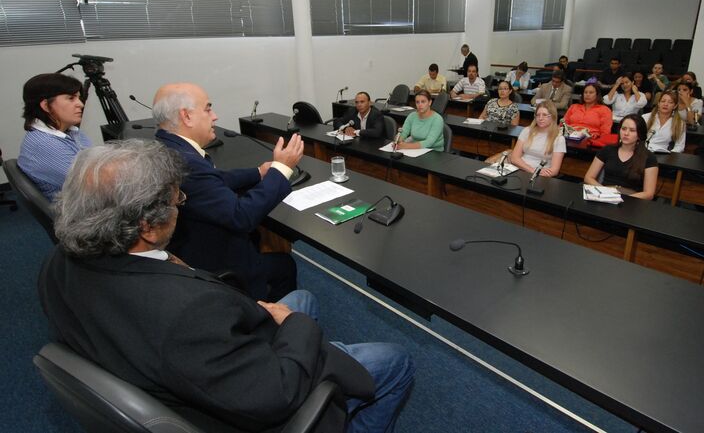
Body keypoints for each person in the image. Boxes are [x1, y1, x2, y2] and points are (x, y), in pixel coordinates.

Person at [38, 139, 414, 433]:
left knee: (303, 296)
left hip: (180, 361)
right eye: (176, 200)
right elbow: (276, 395)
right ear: (147, 227)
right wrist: (294, 324)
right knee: (395, 361)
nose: (180, 206)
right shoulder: (188, 313)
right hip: (258, 395)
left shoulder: (57, 264)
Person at [152, 82, 301, 302]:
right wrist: (282, 168)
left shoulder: (168, 146)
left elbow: (212, 179)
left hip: (191, 245)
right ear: (187, 116)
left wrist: (258, 173)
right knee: (285, 264)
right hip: (217, 262)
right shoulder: (187, 163)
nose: (215, 116)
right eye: (208, 109)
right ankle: (269, 318)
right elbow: (241, 216)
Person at [17, 73, 93, 201]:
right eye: (71, 98)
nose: (81, 104)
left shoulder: (70, 131)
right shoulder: (43, 144)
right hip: (80, 208)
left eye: (79, 98)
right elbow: (96, 183)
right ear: (46, 106)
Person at [584, 114, 659, 199]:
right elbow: (589, 177)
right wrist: (604, 192)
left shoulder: (649, 157)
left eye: (632, 130)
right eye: (623, 129)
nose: (626, 133)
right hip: (605, 195)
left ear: (640, 135)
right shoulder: (607, 150)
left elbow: (649, 194)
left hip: (631, 200)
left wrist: (621, 199)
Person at [509, 101, 566, 176]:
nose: (540, 118)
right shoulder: (527, 131)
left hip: (541, 175)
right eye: (538, 115)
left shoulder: (559, 139)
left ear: (553, 117)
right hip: (520, 169)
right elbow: (514, 158)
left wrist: (536, 173)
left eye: (545, 115)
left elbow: (554, 170)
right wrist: (532, 170)